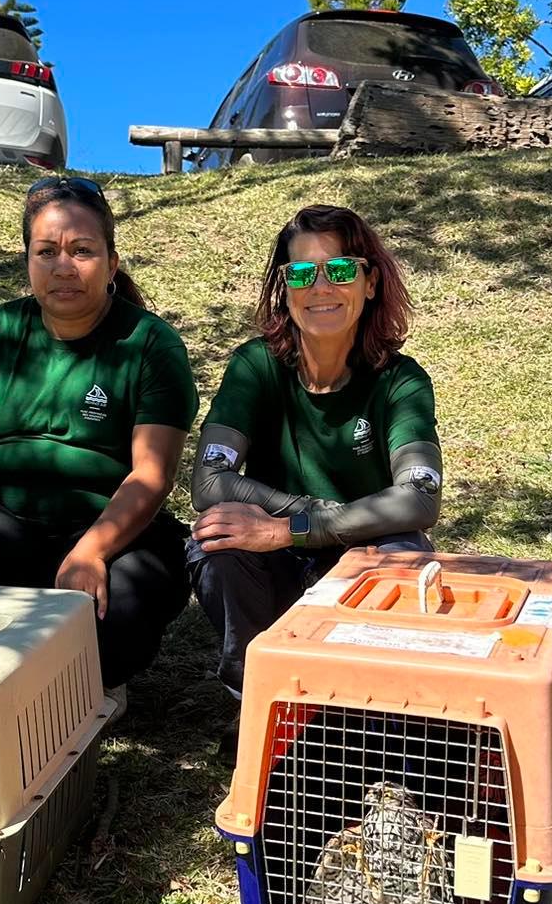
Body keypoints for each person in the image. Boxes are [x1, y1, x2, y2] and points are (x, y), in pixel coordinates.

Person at [0, 177, 198, 715]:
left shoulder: (150, 342)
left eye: (82, 250)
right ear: (27, 259)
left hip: (114, 531)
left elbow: (152, 474)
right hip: (2, 522)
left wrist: (93, 550)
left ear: (112, 261)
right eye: (46, 251)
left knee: (125, 600)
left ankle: (92, 685)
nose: (63, 266)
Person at [187, 204, 443, 697]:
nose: (321, 287)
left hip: (362, 559)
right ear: (285, 288)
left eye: (341, 269)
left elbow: (419, 499)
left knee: (403, 552)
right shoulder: (255, 365)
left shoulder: (400, 381)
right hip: (280, 563)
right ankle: (260, 696)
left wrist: (293, 529)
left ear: (370, 283)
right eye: (302, 272)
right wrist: (314, 520)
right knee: (213, 539)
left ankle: (367, 705)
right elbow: (209, 480)